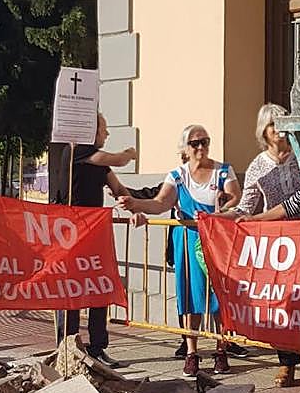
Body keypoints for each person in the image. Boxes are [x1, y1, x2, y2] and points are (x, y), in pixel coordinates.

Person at [119, 125, 240, 376]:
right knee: (189, 295)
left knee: (218, 296)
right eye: (195, 143)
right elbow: (160, 202)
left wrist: (224, 203)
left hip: (216, 240)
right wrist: (134, 204)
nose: (200, 147)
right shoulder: (177, 175)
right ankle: (191, 352)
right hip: (186, 239)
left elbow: (235, 197)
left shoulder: (223, 171)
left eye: (204, 141)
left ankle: (221, 349)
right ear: (185, 148)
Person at [229, 103, 300, 387]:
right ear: (264, 130)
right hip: (278, 246)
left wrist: (258, 217)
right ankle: (287, 363)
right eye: (274, 125)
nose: (279, 130)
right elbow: (245, 206)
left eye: (283, 123)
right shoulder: (257, 166)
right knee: (281, 303)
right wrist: (218, 218)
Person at [54, 113, 136, 367]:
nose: (107, 134)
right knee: (72, 291)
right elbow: (119, 159)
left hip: (95, 235)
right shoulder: (76, 151)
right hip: (71, 235)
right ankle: (67, 346)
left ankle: (97, 347)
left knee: (99, 288)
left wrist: (136, 203)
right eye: (104, 129)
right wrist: (130, 153)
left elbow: (119, 189)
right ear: (91, 130)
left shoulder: (100, 164)